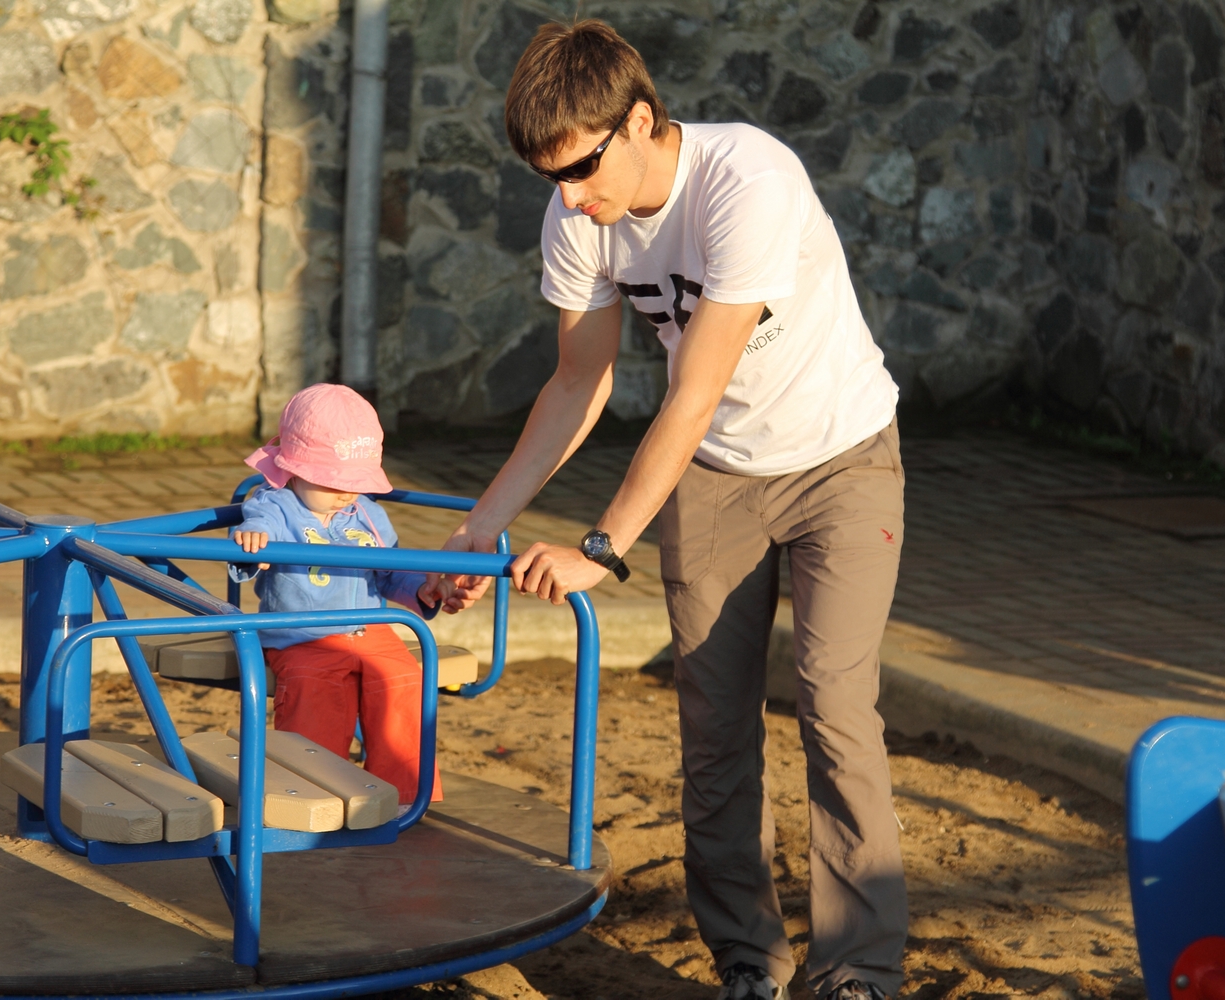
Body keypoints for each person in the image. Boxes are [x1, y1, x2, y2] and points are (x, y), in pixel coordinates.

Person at [430, 19, 908, 1000]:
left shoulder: (748, 180)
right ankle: (747, 961)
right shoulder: (579, 217)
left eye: (581, 169)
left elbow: (691, 392)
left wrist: (602, 546)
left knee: (832, 700)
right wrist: (480, 527)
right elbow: (578, 382)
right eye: (551, 178)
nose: (570, 197)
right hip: (719, 476)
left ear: (640, 121)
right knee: (714, 722)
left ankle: (859, 968)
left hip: (843, 461)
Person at [232, 383, 448, 805]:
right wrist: (253, 540)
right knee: (314, 696)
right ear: (294, 468)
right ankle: (311, 796)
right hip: (302, 635)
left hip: (372, 629)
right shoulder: (275, 506)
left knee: (405, 683)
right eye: (334, 482)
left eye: (356, 481)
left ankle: (403, 794)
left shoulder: (368, 513)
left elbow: (390, 572)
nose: (347, 492)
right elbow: (255, 527)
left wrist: (422, 588)